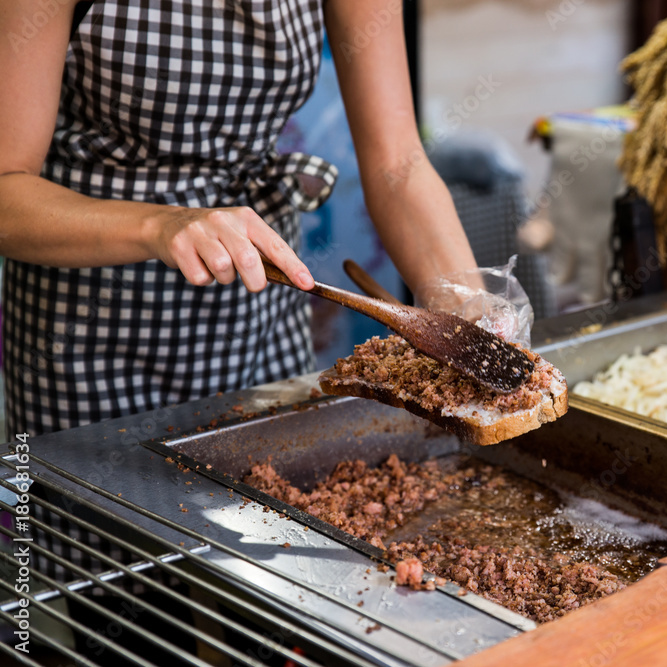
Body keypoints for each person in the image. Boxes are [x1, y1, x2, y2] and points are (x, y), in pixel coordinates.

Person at [0, 0, 484, 436]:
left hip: (266, 309)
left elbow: (396, 163)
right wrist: (161, 225)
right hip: (90, 329)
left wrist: (469, 306)